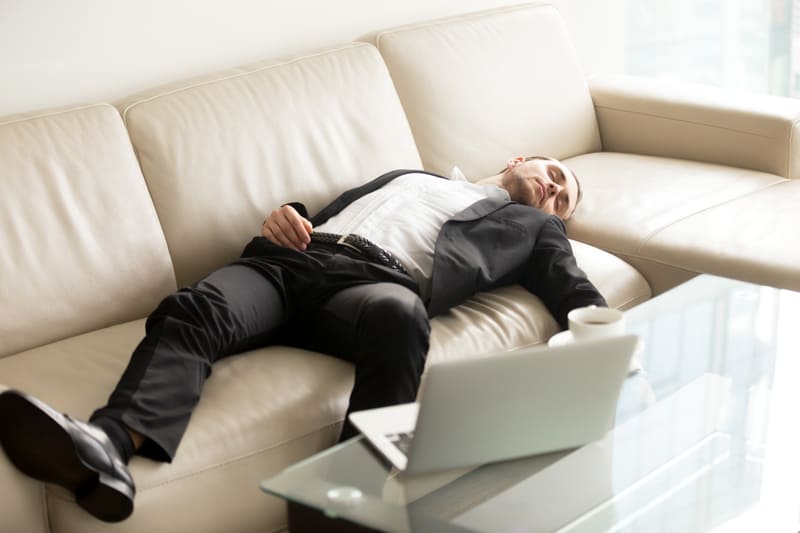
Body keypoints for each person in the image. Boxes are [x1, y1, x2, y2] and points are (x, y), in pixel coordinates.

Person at [0, 155, 606, 522]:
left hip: (372, 287)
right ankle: (106, 448)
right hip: (290, 262)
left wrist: (605, 338)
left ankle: (349, 499)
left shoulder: (532, 228)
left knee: (401, 319)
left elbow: (570, 284)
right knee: (195, 307)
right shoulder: (410, 174)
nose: (553, 189)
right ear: (522, 158)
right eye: (554, 174)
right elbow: (330, 213)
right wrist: (285, 214)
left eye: (564, 198)